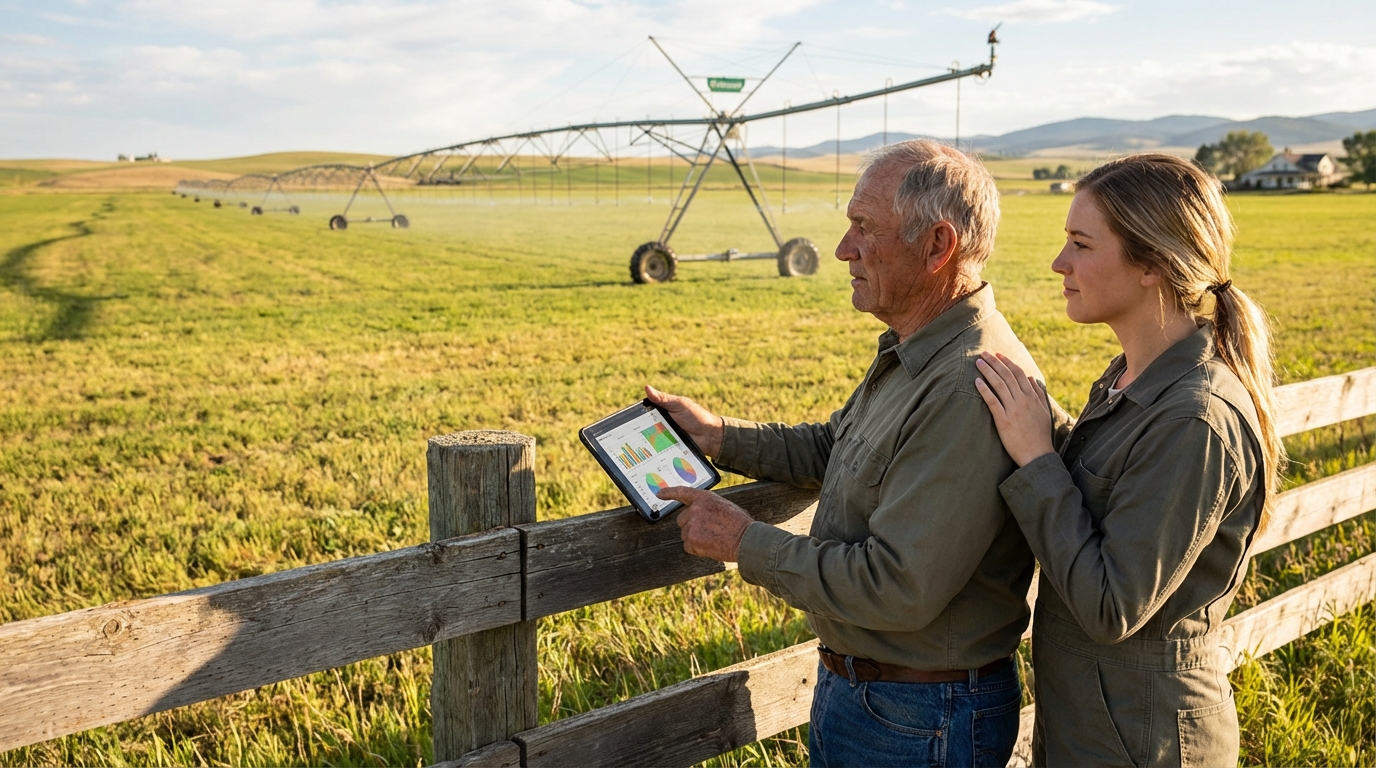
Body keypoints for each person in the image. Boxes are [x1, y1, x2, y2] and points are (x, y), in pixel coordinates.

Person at [647, 139, 1041, 767]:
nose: (842, 249)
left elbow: (898, 587)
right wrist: (717, 435)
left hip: (919, 718)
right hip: (884, 699)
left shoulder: (963, 386)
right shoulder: (923, 347)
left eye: (864, 227)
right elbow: (839, 447)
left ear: (937, 246)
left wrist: (743, 541)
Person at [972, 153, 1283, 766]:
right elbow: (1109, 481)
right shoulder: (1135, 377)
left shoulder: (1194, 420)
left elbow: (1111, 606)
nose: (1059, 262)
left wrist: (1036, 457)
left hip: (1145, 740)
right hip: (1097, 726)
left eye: (1081, 244)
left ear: (1152, 265)